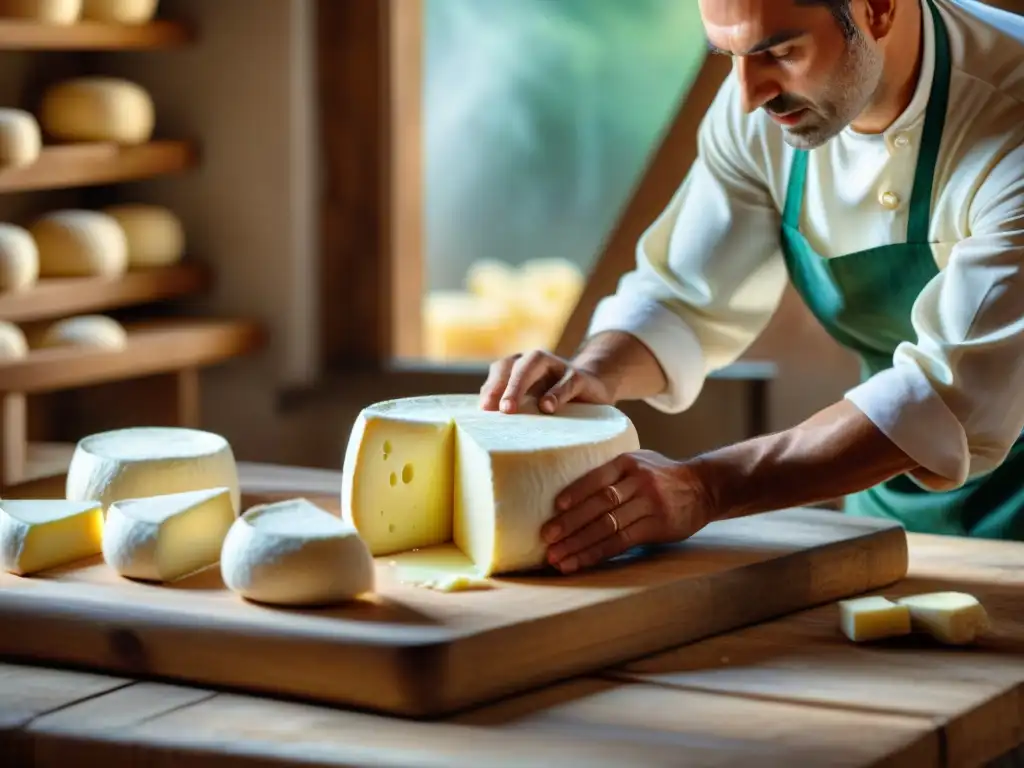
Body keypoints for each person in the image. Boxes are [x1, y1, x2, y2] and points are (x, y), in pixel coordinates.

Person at [478, 0, 1024, 575]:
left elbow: (946, 394)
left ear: (878, 10)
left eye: (782, 53)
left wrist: (704, 489)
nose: (747, 95)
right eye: (729, 55)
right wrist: (591, 372)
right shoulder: (762, 111)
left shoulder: (1011, 114)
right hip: (887, 504)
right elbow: (681, 296)